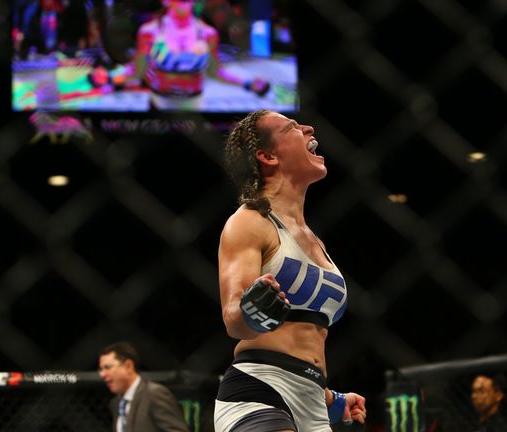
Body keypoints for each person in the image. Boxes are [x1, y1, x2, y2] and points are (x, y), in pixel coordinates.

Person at [213, 109, 367, 431]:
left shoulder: (315, 241)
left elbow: (306, 337)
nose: (309, 127)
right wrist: (251, 310)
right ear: (267, 156)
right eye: (292, 128)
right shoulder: (250, 222)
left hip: (313, 400)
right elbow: (234, 320)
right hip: (259, 389)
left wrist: (332, 399)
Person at [91, 0, 269, 110]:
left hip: (194, 104)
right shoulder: (150, 31)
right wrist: (109, 78)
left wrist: (248, 83)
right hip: (159, 103)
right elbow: (137, 70)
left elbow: (216, 72)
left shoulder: (207, 33)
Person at [98, 342, 189, 432]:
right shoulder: (116, 404)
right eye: (101, 369)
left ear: (128, 366)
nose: (102, 374)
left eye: (108, 367)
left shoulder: (154, 394)